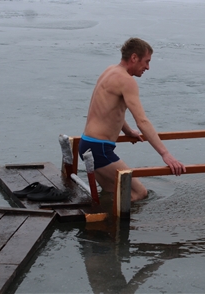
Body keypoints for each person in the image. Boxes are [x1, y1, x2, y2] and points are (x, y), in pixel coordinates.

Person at [79, 38, 186, 201]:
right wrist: (166, 154)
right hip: (99, 149)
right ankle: (115, 222)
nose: (148, 68)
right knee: (139, 193)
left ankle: (104, 222)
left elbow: (111, 110)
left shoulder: (110, 70)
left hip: (86, 144)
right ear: (134, 58)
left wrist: (128, 131)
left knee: (111, 192)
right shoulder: (127, 81)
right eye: (146, 62)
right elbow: (142, 121)